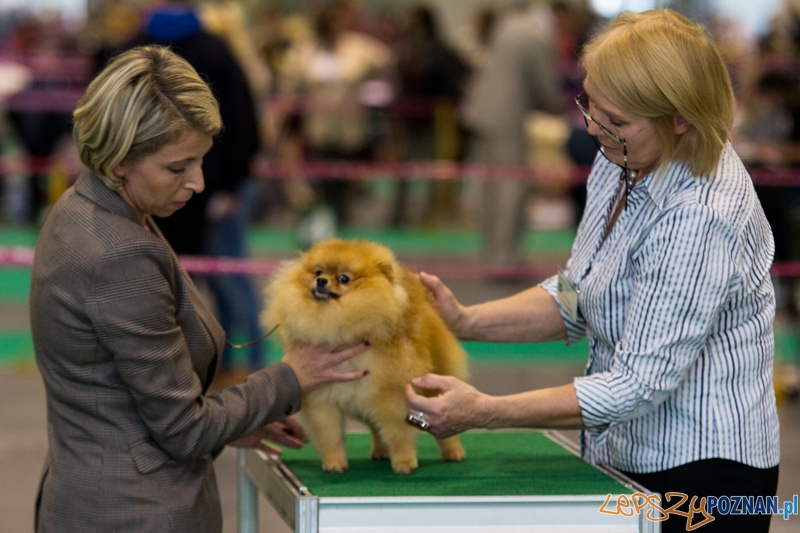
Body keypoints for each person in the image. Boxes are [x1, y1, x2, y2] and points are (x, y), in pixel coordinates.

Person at [406, 10, 780, 532]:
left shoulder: (701, 215)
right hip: (623, 454)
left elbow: (636, 385)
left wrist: (486, 411)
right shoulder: (621, 157)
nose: (592, 126)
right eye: (590, 105)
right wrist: (465, 320)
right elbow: (579, 291)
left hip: (704, 480)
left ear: (679, 118)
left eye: (616, 120)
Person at [29, 45, 368, 533]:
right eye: (177, 167)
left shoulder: (84, 208)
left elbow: (133, 398)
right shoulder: (120, 253)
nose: (198, 182)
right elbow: (184, 430)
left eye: (200, 161)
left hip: (87, 492)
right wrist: (291, 375)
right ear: (121, 158)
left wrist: (236, 419)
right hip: (135, 513)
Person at [460, 0, 563, 268]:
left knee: (494, 185)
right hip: (507, 114)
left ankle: (494, 252)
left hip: (486, 110)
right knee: (511, 185)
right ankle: (504, 258)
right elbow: (545, 83)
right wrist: (561, 109)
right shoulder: (536, 33)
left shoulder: (509, 24)